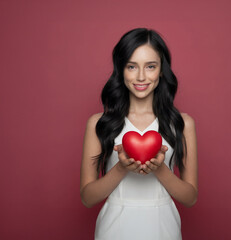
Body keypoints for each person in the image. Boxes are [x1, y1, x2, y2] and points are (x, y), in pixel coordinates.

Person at [80, 28, 198, 240]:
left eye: (150, 66)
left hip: (163, 227)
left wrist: (160, 169)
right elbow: (87, 198)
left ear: (162, 70)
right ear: (121, 70)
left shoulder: (182, 124)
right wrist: (121, 168)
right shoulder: (99, 124)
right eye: (132, 66)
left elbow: (190, 197)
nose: (141, 76)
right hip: (114, 227)